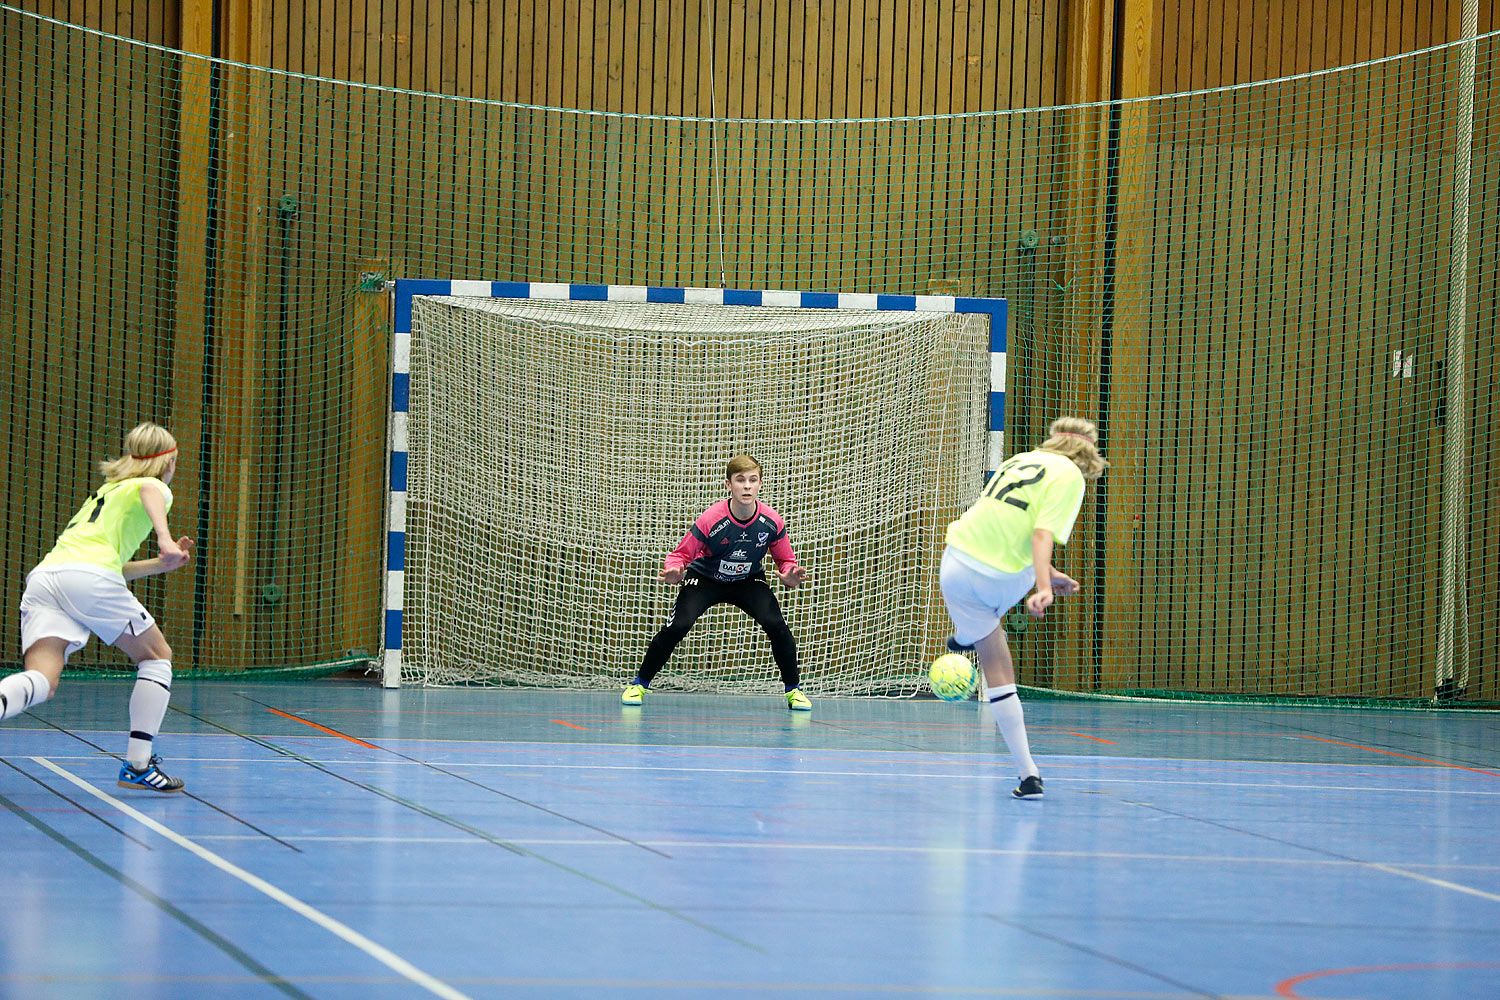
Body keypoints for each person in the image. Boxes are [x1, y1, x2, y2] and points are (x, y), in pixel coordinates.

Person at [1, 422, 196, 792]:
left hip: (48, 577)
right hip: (85, 579)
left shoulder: (108, 491)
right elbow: (149, 489)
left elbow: (110, 568)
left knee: (43, 680)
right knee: (156, 656)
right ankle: (138, 767)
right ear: (169, 460)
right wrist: (166, 539)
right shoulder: (152, 486)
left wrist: (160, 564)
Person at [940, 416, 1109, 799]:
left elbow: (1004, 526)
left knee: (985, 627)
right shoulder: (1069, 476)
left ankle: (969, 632)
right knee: (999, 668)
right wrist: (1044, 585)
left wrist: (1047, 572)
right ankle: (1028, 774)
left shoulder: (1019, 459)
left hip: (954, 564)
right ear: (1086, 453)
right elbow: (1040, 533)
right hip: (1001, 577)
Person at [624, 454, 811, 710]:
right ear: (728, 485)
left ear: (760, 484)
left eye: (752, 480)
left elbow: (786, 560)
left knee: (776, 623)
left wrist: (789, 574)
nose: (746, 486)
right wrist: (675, 570)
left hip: (747, 580)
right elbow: (680, 555)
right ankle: (639, 684)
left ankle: (794, 691)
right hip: (705, 579)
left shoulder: (771, 522)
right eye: (740, 480)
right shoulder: (711, 519)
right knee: (678, 625)